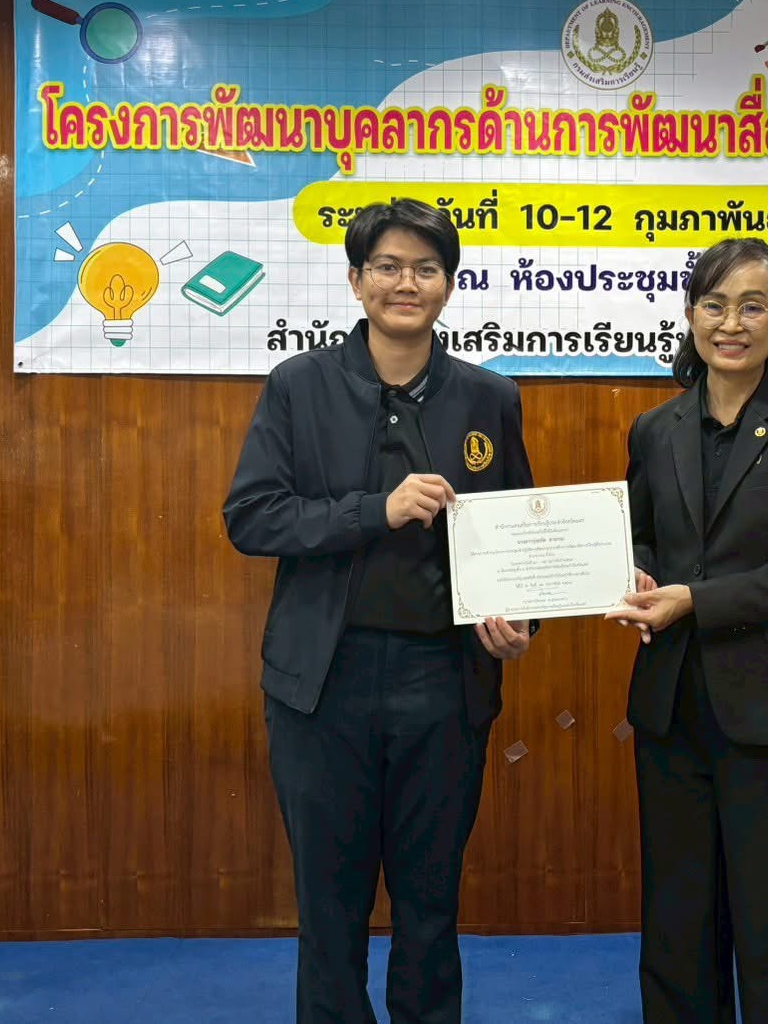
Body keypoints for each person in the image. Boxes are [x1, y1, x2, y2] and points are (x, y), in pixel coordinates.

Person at [223, 198, 536, 1023]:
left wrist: (517, 621)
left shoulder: (489, 397)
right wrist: (376, 509)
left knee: (431, 902)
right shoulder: (298, 386)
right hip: (324, 683)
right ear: (356, 280)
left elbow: (517, 533)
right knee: (329, 906)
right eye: (388, 267)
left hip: (443, 681)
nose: (407, 283)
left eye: (425, 269)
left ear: (448, 285)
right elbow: (251, 518)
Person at [606, 237, 768, 1023]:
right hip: (672, 705)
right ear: (690, 315)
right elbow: (638, 537)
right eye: (714, 305)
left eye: (752, 306)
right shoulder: (654, 429)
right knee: (678, 918)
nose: (730, 324)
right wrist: (637, 574)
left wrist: (696, 599)